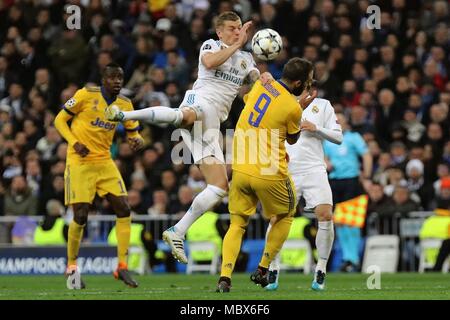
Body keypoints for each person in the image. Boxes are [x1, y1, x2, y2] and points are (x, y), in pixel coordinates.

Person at [106, 11, 270, 264]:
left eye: (239, 28)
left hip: (212, 124)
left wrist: (266, 81)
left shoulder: (247, 59)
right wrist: (237, 45)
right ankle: (126, 115)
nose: (237, 32)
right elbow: (211, 63)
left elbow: (256, 88)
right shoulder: (211, 45)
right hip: (200, 101)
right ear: (219, 32)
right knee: (187, 115)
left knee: (218, 188)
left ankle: (177, 231)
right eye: (231, 28)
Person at [216, 57, 317, 293]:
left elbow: (249, 100)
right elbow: (292, 138)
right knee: (286, 214)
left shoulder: (261, 84)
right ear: (298, 83)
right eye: (309, 81)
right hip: (269, 171)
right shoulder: (292, 107)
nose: (310, 85)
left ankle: (225, 277)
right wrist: (299, 109)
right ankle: (262, 269)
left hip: (240, 168)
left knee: (237, 224)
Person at [54, 63, 144, 289]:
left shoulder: (124, 104)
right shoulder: (85, 95)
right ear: (103, 80)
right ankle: (72, 266)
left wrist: (137, 139)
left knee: (124, 208)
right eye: (113, 77)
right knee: (81, 215)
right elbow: (59, 120)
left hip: (104, 161)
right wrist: (74, 143)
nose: (117, 81)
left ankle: (122, 266)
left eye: (120, 78)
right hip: (80, 162)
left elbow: (133, 131)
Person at [265, 95, 343, 291]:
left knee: (325, 216)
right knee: (277, 219)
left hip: (315, 169)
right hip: (286, 169)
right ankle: (272, 268)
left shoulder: (323, 105)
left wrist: (316, 128)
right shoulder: (280, 101)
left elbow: (338, 136)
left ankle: (321, 269)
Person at [323, 113, 373, 272]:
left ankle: (354, 258)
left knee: (351, 221)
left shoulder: (353, 137)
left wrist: (366, 174)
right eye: (334, 121)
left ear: (346, 123)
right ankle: (347, 257)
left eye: (340, 121)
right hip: (335, 182)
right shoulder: (327, 139)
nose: (337, 124)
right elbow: (322, 156)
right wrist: (326, 162)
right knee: (339, 221)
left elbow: (366, 154)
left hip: (351, 181)